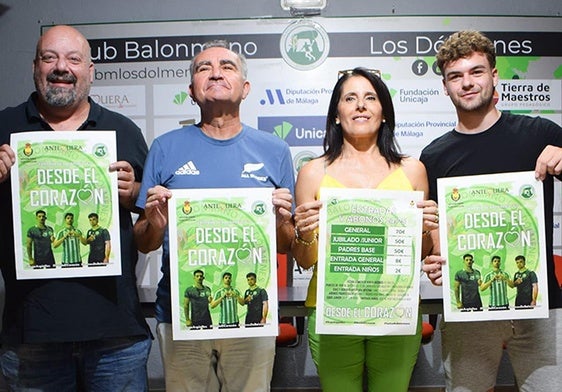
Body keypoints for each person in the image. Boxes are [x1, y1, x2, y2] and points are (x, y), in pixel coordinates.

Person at [133, 40, 295, 392]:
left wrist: (283, 222)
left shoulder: (275, 150)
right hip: (181, 313)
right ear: (192, 90)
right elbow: (144, 242)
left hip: (249, 323)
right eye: (203, 68)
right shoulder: (164, 147)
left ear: (245, 88)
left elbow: (287, 244)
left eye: (227, 66)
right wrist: (155, 222)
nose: (216, 72)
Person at [0, 25, 151, 390]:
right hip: (32, 334)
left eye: (73, 58)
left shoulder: (122, 130)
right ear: (35, 67)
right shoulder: (4, 126)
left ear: (90, 70)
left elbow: (152, 227)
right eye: (49, 58)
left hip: (116, 332)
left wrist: (133, 195)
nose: (60, 67)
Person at [420, 30, 562, 391]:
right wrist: (437, 259)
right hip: (468, 311)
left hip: (540, 305)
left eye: (476, 71)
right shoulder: (434, 157)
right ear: (445, 86)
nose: (467, 83)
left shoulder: (540, 133)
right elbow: (435, 235)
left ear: (494, 75)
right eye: (456, 76)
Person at [291, 67, 438, 392]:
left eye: (370, 97)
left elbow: (424, 252)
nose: (360, 105)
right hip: (333, 310)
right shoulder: (312, 173)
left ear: (384, 112)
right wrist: (303, 232)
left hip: (396, 310)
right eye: (350, 98)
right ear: (336, 114)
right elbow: (304, 259)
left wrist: (426, 230)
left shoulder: (413, 170)